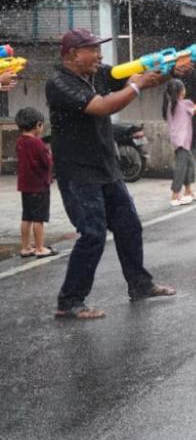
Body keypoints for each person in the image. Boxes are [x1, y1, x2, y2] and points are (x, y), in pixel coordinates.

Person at [47, 28, 187, 320]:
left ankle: (140, 284)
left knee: (129, 226)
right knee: (93, 234)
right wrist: (135, 87)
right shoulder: (59, 83)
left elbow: (142, 80)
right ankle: (70, 300)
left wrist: (170, 69)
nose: (100, 55)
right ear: (73, 54)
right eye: (93, 50)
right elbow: (101, 106)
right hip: (78, 172)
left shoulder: (98, 73)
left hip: (106, 167)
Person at [162, 79, 196, 207]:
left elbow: (193, 108)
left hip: (176, 140)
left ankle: (188, 191)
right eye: (183, 88)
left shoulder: (170, 105)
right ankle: (175, 195)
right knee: (181, 167)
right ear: (180, 92)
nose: (185, 90)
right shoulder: (186, 104)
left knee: (189, 164)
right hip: (183, 141)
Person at [15, 107, 58, 258]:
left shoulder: (20, 142)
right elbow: (47, 162)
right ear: (38, 125)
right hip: (39, 186)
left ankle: (26, 247)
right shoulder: (38, 144)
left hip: (25, 186)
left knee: (26, 217)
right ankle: (40, 247)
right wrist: (50, 154)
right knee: (39, 218)